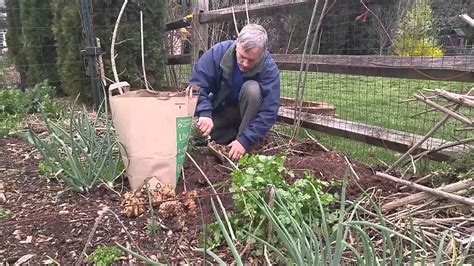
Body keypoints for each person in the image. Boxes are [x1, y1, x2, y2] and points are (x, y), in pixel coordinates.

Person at [190, 24, 280, 161]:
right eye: (242, 56)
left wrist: (245, 140)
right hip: (219, 111)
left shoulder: (268, 68)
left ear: (262, 54)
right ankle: (226, 140)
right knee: (193, 136)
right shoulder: (218, 52)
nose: (244, 63)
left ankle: (241, 144)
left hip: (246, 118)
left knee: (252, 89)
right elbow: (197, 84)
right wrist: (204, 113)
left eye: (251, 60)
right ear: (237, 44)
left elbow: (269, 110)